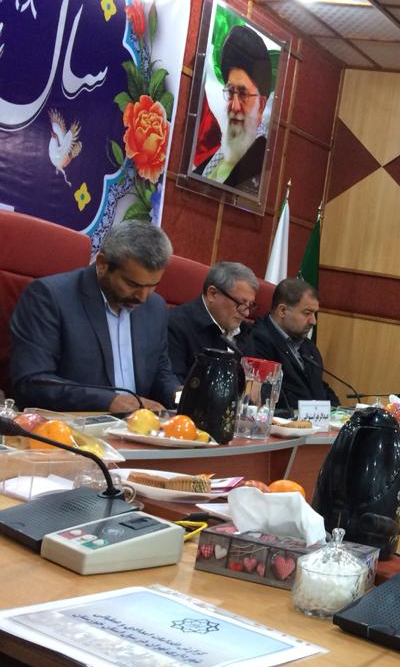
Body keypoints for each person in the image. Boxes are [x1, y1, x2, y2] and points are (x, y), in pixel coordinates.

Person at [10, 221, 178, 412]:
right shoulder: (50, 297)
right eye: (132, 284)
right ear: (102, 264)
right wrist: (109, 401)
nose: (143, 297)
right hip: (72, 424)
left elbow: (161, 374)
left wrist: (181, 395)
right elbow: (32, 382)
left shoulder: (155, 307)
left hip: (139, 425)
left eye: (152, 285)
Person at [194, 25, 271, 194]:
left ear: (261, 106)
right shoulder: (220, 156)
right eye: (230, 92)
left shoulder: (261, 161)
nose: (234, 106)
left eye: (243, 94)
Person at [250, 278, 339, 412]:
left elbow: (319, 386)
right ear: (282, 311)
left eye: (314, 314)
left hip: (314, 422)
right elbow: (269, 397)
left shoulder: (308, 346)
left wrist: (338, 412)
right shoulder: (258, 341)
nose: (313, 321)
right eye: (307, 313)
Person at [167, 261, 258, 381]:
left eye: (250, 305)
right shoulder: (177, 324)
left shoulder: (244, 331)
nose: (246, 313)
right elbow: (173, 385)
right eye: (241, 303)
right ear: (212, 294)